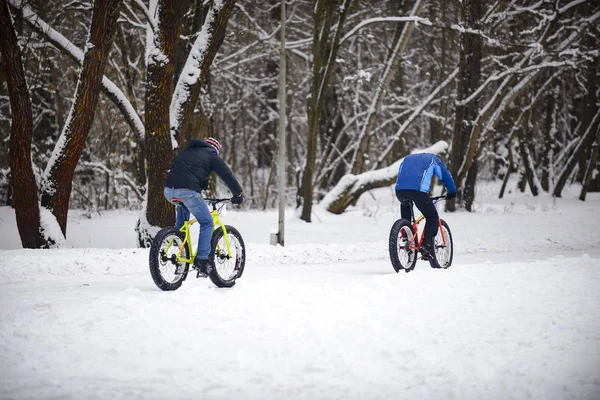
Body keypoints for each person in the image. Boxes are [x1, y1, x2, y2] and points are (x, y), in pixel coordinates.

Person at [164, 137, 243, 274]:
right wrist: (237, 193)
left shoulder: (188, 150)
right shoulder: (211, 154)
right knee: (207, 222)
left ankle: (180, 253)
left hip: (169, 190)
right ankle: (202, 261)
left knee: (182, 223)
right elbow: (226, 174)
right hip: (188, 191)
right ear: (215, 149)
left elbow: (186, 172)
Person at [394, 153, 456, 268]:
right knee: (432, 216)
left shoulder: (407, 159)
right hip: (418, 191)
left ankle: (406, 235)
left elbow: (403, 175)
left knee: (406, 208)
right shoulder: (433, 159)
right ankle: (426, 245)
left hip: (400, 190)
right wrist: (452, 191)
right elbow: (445, 175)